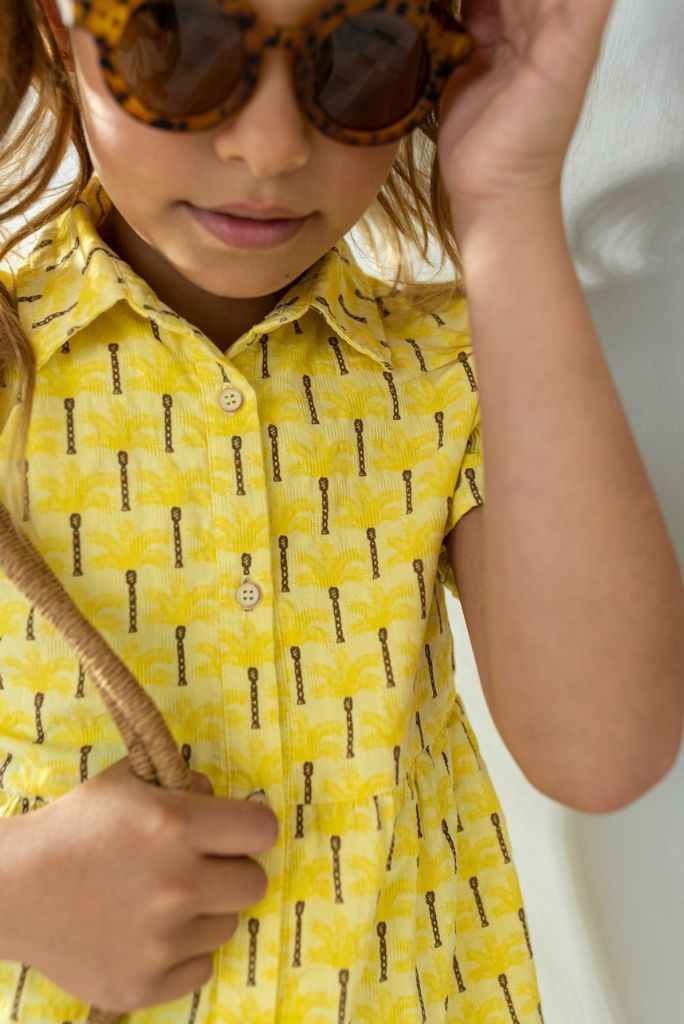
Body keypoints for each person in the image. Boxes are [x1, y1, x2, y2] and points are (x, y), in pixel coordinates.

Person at [0, 0, 682, 1022]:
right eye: (181, 43)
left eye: (365, 52)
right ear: (58, 29)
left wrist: (506, 197)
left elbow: (602, 752)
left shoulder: (459, 367)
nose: (272, 148)